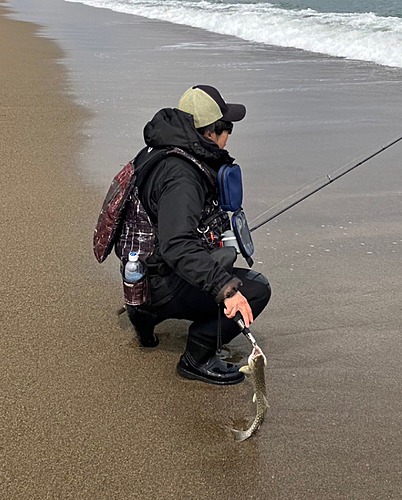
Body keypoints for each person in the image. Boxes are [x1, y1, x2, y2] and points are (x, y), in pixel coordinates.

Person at [117, 85, 271, 385]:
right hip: (159, 279)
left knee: (224, 255)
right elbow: (176, 245)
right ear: (208, 132)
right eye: (226, 128)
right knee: (256, 289)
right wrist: (226, 290)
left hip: (142, 270)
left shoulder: (161, 150)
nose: (228, 136)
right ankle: (196, 358)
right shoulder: (182, 177)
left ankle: (145, 314)